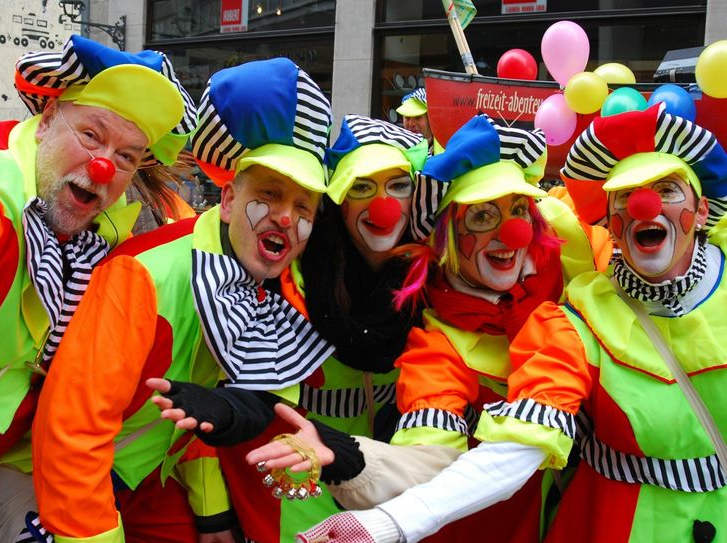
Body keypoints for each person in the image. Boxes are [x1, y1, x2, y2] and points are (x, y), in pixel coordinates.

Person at [269, 103, 727, 543]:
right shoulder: (468, 341)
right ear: (449, 236)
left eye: (519, 212)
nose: (511, 233)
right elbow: (432, 456)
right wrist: (354, 465)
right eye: (483, 216)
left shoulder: (571, 270)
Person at [28, 57, 335, 543]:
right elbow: (71, 430)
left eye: (303, 207)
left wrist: (212, 512)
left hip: (150, 475)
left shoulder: (273, 285)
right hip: (56, 481)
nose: (284, 217)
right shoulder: (145, 274)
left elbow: (212, 410)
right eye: (270, 195)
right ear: (229, 199)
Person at [0, 34, 192, 542]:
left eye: (127, 156)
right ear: (45, 122)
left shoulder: (108, 229)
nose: (104, 166)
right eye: (91, 134)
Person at [151, 114, 430, 542]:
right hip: (290, 481)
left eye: (399, 187)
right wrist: (213, 513)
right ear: (339, 201)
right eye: (361, 187)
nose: (384, 206)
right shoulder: (285, 273)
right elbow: (212, 392)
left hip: (386, 478)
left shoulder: (434, 282)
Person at [396, 88, 436, 153]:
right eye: (407, 117)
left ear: (430, 118)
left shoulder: (444, 147)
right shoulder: (397, 146)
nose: (411, 124)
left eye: (418, 117)